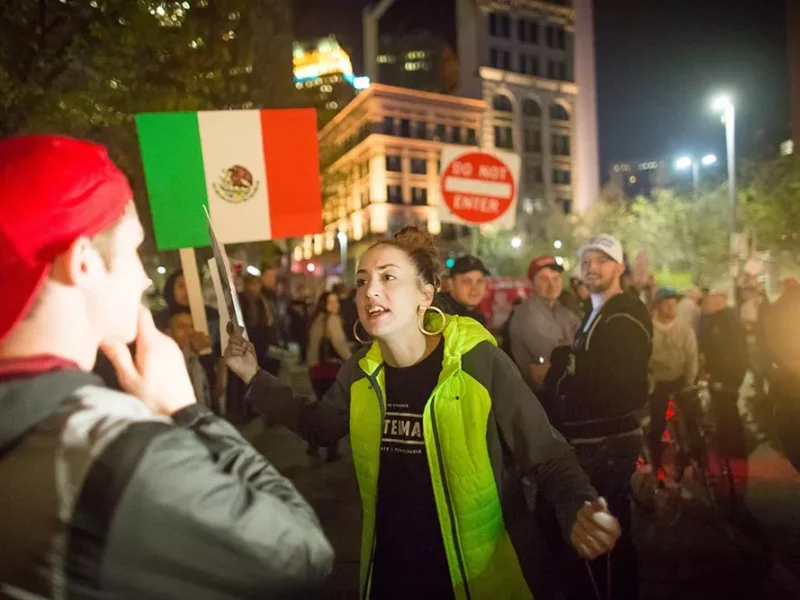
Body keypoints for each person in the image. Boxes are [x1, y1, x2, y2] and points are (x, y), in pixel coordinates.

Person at [0, 135, 333, 598]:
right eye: (134, 250)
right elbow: (301, 553)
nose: (141, 276)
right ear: (82, 264)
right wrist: (185, 411)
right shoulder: (114, 452)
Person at [225, 226, 622, 600]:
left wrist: (579, 507)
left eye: (388, 277)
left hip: (479, 579)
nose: (370, 291)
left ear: (425, 295)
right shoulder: (361, 372)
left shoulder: (478, 361)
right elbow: (318, 426)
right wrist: (253, 377)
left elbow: (548, 457)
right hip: (391, 576)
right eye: (362, 281)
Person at [546, 234, 652, 600]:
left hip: (607, 445)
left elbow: (620, 384)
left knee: (602, 540)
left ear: (619, 268)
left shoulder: (624, 313)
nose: (591, 267)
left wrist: (565, 370)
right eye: (586, 261)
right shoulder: (596, 314)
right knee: (602, 538)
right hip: (593, 442)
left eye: (601, 261)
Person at [508, 255, 581, 426]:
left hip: (562, 401)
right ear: (532, 284)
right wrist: (572, 348)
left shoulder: (564, 312)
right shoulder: (527, 316)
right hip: (542, 404)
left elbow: (586, 348)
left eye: (556, 278)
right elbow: (557, 360)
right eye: (544, 279)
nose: (552, 284)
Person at [647, 288, 699, 475]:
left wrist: (689, 382)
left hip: (680, 379)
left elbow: (692, 357)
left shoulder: (684, 329)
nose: (671, 307)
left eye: (673, 303)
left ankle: (697, 458)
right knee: (657, 424)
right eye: (667, 303)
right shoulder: (649, 330)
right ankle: (656, 464)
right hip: (658, 381)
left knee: (693, 419)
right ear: (658, 306)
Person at [698, 291, 749, 460]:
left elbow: (722, 348)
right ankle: (733, 445)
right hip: (727, 373)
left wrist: (717, 371)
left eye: (708, 301)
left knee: (727, 410)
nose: (705, 305)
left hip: (726, 374)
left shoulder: (723, 320)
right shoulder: (722, 318)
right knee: (726, 409)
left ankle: (735, 448)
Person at [155, 269, 221, 397]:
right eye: (180, 286)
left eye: (191, 286)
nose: (186, 291)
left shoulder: (210, 315)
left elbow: (220, 346)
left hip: (208, 372)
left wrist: (221, 376)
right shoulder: (160, 319)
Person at [306, 291, 352, 461]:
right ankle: (331, 451)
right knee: (334, 412)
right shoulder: (332, 320)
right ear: (324, 304)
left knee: (322, 409)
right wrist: (351, 360)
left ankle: (313, 444)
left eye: (336, 301)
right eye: (330, 302)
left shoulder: (317, 319)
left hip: (316, 371)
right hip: (329, 371)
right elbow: (340, 345)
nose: (334, 305)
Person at [167, 310, 212, 408]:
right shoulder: (164, 360)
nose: (190, 332)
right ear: (169, 333)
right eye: (182, 327)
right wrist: (191, 350)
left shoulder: (196, 358)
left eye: (192, 327)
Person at [437, 255, 490, 325]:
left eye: (479, 281)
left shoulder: (476, 318)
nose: (474, 288)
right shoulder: (440, 317)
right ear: (450, 284)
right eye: (467, 281)